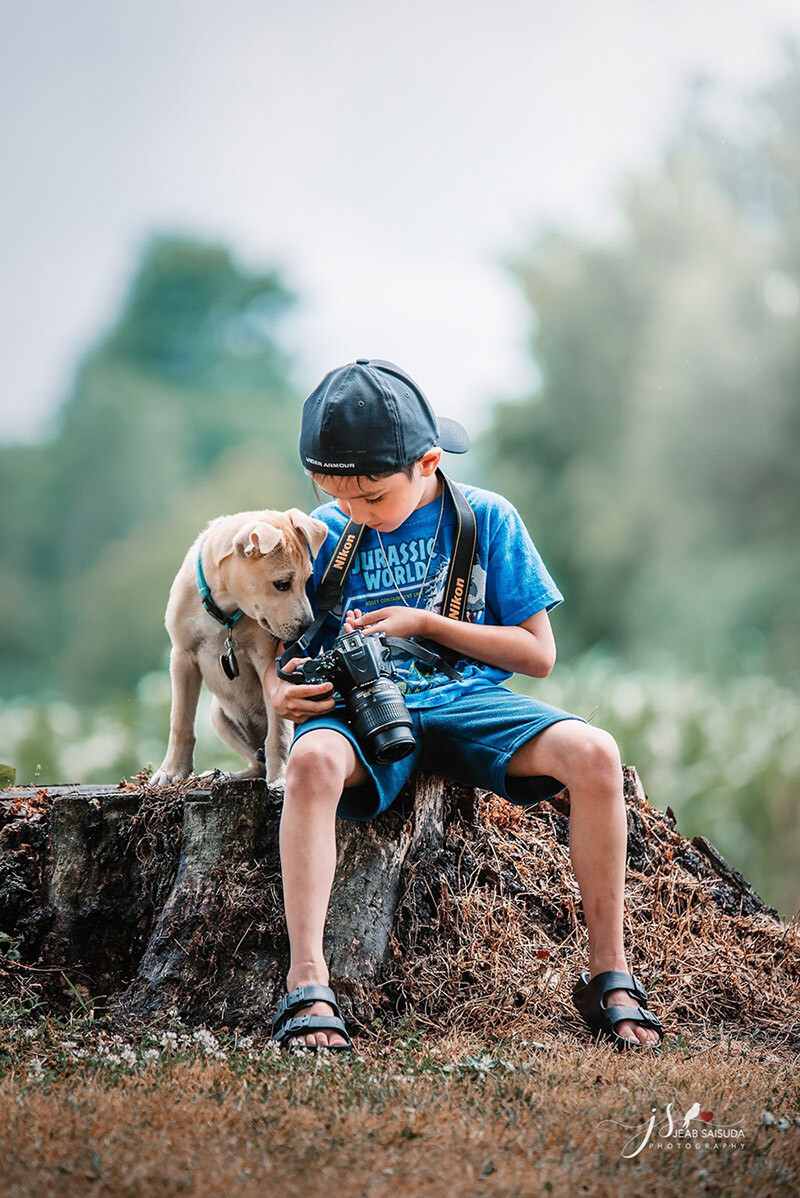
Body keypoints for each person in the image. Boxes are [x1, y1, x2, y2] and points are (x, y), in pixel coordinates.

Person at [263, 358, 664, 1053]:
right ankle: (307, 980)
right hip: (361, 712)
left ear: (428, 462)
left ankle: (610, 973)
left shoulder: (486, 519)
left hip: (467, 699)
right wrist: (278, 690)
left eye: (371, 498)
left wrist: (427, 625)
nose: (353, 514)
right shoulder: (323, 533)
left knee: (596, 753)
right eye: (335, 496)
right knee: (311, 763)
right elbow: (273, 645)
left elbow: (538, 654)